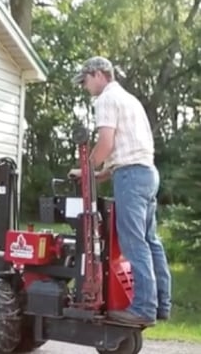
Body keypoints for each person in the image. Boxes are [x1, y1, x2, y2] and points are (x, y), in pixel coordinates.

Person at [68, 56, 172, 326]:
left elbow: (105, 143)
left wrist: (87, 168)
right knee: (150, 241)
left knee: (133, 243)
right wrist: (94, 174)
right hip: (147, 174)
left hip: (131, 177)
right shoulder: (130, 100)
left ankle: (142, 309)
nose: (85, 87)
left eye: (86, 80)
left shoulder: (105, 99)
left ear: (99, 74)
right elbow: (122, 155)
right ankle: (161, 303)